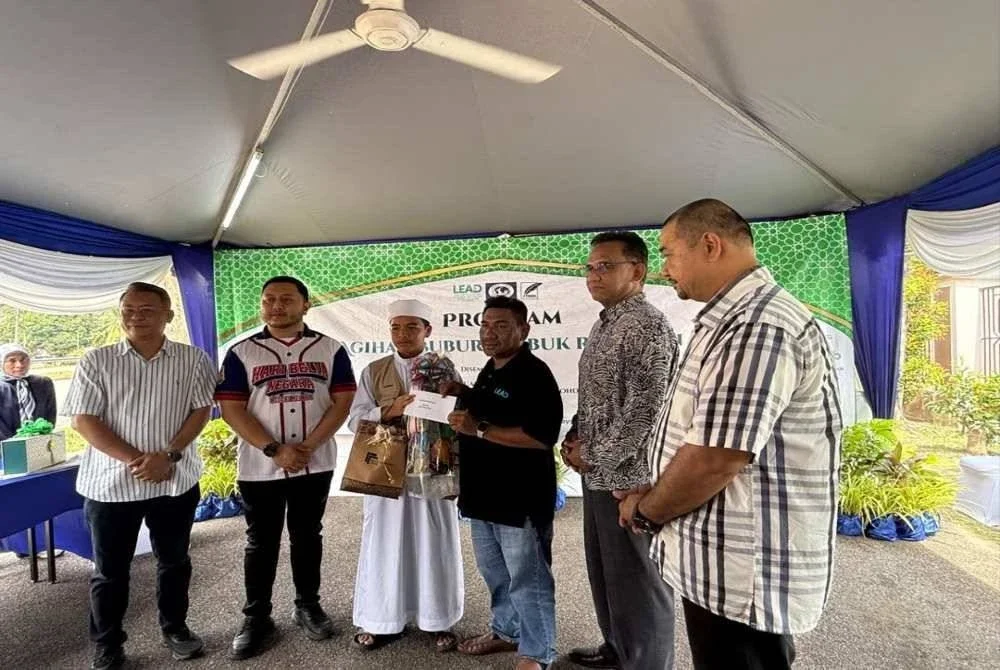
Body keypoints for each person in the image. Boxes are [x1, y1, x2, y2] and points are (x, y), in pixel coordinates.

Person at [618, 199, 843, 670]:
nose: (664, 270)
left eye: (669, 254)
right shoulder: (732, 317)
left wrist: (646, 512)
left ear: (710, 245)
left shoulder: (756, 323)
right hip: (724, 565)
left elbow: (716, 457)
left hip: (743, 575)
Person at [64, 282, 217, 670]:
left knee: (175, 562)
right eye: (128, 308)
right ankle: (108, 642)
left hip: (174, 480)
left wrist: (168, 456)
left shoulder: (193, 359)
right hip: (110, 486)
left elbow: (200, 411)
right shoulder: (95, 360)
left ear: (168, 315)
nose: (136, 315)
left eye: (147, 309)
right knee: (110, 571)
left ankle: (175, 628)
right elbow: (84, 420)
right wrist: (139, 460)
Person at [215, 275, 356, 660]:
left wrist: (308, 445)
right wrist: (275, 449)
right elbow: (231, 408)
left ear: (305, 305)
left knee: (308, 534)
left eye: (286, 299)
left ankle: (308, 605)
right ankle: (257, 616)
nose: (277, 306)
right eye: (269, 300)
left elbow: (341, 403)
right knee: (261, 541)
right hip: (260, 466)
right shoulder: (242, 352)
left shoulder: (330, 349)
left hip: (315, 461)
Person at [562, 232, 678, 670]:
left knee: (639, 579)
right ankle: (618, 648)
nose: (594, 275)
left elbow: (650, 408)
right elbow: (593, 399)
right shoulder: (604, 323)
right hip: (597, 474)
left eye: (606, 266)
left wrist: (597, 454)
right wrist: (573, 439)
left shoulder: (648, 326)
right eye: (590, 267)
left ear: (638, 271)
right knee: (606, 570)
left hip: (632, 479)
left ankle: (646, 662)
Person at [444, 296, 563, 670]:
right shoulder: (491, 369)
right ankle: (507, 631)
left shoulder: (534, 373)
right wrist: (461, 393)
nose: (489, 333)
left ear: (524, 330)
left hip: (520, 500)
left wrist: (479, 428)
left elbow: (542, 436)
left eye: (500, 325)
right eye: (484, 325)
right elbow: (490, 403)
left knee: (529, 579)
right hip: (482, 497)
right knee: (496, 573)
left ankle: (537, 652)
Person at [347, 299, 464, 653]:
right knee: (384, 541)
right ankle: (381, 620)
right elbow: (355, 420)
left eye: (411, 326)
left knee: (434, 540)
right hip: (385, 468)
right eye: (396, 327)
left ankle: (438, 620)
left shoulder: (444, 369)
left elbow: (459, 410)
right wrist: (390, 409)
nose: (403, 334)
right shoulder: (375, 370)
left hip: (432, 468)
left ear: (427, 330)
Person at [1, 343, 57, 438]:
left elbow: (50, 415)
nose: (19, 365)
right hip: (6, 445)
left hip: (38, 441)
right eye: (12, 360)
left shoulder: (43, 383)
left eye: (23, 359)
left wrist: (41, 433)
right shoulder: (2, 387)